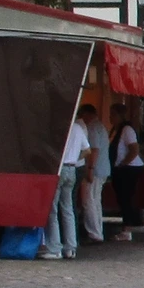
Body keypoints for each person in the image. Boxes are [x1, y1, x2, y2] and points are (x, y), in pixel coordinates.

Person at [41, 117, 90, 260]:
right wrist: (75, 158)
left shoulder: (59, 129)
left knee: (53, 210)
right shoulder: (78, 128)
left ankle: (55, 248)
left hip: (60, 168)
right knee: (68, 209)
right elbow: (87, 150)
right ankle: (71, 248)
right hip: (72, 169)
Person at [108, 102, 144, 242]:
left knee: (126, 198)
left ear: (120, 115)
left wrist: (122, 163)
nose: (110, 117)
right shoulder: (116, 130)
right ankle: (126, 226)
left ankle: (127, 229)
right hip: (122, 168)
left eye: (113, 115)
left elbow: (134, 149)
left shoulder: (127, 130)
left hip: (129, 168)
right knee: (122, 198)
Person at [77, 103, 110, 244]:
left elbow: (94, 150)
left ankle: (94, 233)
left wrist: (90, 168)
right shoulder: (101, 126)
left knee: (88, 201)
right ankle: (98, 231)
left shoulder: (92, 128)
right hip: (102, 169)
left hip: (95, 170)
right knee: (96, 201)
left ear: (86, 114)